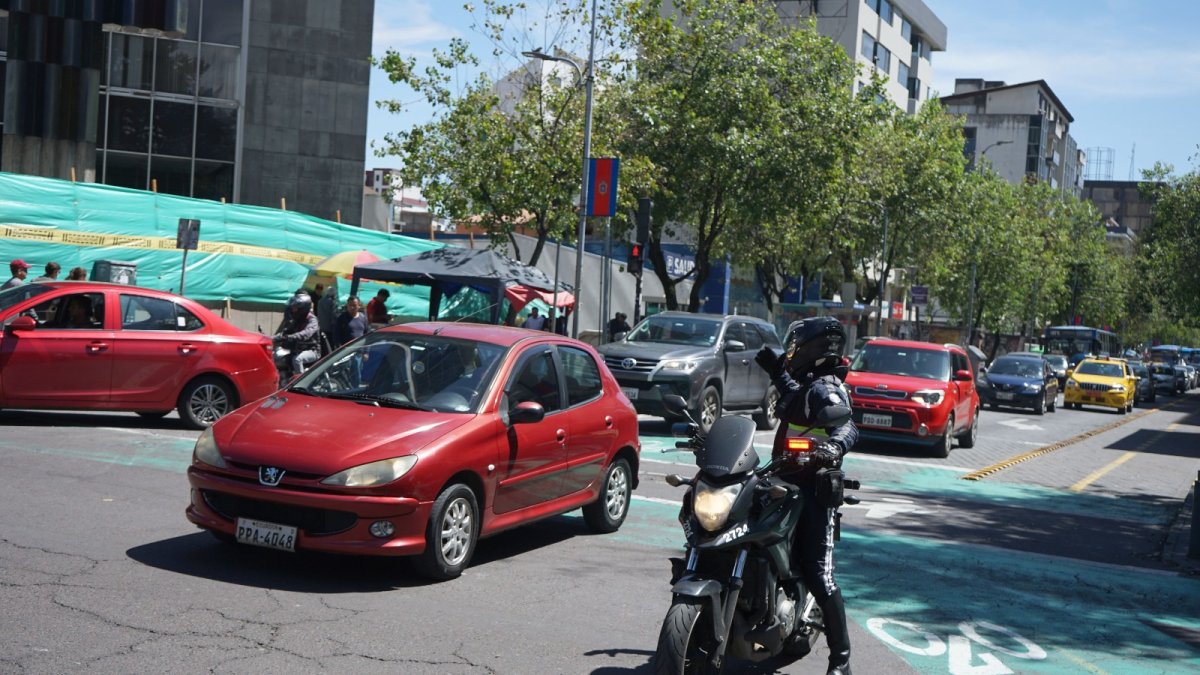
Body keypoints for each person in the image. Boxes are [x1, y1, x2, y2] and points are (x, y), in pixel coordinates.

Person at [754, 316, 858, 675]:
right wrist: (774, 371)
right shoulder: (808, 384)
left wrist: (833, 447)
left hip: (813, 491)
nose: (791, 350)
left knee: (819, 575)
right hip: (781, 483)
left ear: (812, 347)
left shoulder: (828, 388)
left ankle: (841, 661)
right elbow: (794, 400)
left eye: (797, 344)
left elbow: (846, 424)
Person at [275, 291, 321, 375]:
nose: (293, 309)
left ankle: (301, 383)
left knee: (297, 359)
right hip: (298, 348)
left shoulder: (312, 320)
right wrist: (272, 338)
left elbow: (305, 334)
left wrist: (288, 337)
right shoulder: (298, 319)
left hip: (312, 351)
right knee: (279, 356)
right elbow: (287, 330)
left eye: (295, 307)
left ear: (302, 308)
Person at [317, 285, 338, 354]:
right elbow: (334, 315)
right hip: (330, 328)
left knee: (323, 345)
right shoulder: (332, 302)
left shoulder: (320, 301)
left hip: (321, 326)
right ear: (333, 294)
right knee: (330, 346)